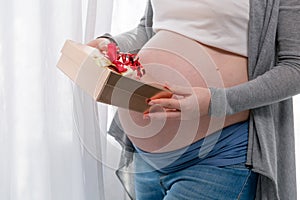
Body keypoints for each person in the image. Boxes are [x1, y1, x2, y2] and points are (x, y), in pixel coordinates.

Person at [88, 0, 300, 199]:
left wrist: (214, 102)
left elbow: (295, 67)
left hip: (220, 154)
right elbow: (150, 29)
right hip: (146, 159)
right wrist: (112, 44)